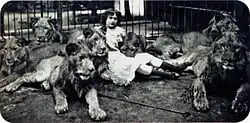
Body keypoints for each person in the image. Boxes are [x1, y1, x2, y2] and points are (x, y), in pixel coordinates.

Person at [95, 8, 188, 86]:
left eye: (115, 18)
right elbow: (85, 37)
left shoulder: (120, 30)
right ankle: (167, 75)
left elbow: (126, 44)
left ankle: (176, 69)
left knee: (147, 56)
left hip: (121, 55)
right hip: (111, 59)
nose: (113, 21)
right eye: (110, 18)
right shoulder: (100, 30)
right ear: (105, 19)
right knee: (137, 65)